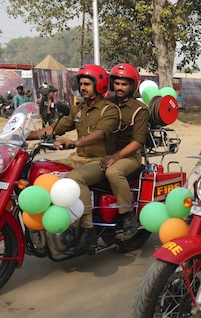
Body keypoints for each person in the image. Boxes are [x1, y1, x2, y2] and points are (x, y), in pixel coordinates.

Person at [43, 65, 120, 254]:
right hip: (80, 157)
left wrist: (75, 142)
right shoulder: (79, 109)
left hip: (101, 160)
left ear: (99, 85)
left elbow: (101, 133)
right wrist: (21, 135)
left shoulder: (109, 109)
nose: (82, 87)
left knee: (76, 178)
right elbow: (55, 128)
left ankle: (88, 227)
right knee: (45, 168)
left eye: (87, 84)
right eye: (81, 84)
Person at [100, 63, 149, 241]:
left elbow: (138, 142)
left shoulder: (139, 109)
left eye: (124, 84)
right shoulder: (105, 104)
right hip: (104, 153)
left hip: (129, 155)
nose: (119, 87)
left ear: (132, 86)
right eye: (117, 83)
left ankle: (127, 215)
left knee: (114, 171)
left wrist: (116, 156)